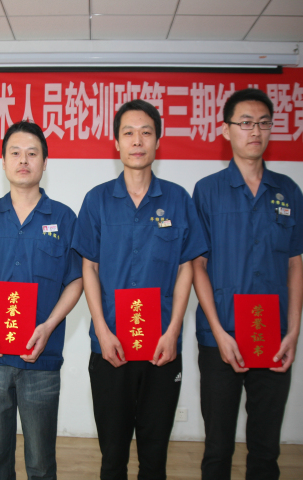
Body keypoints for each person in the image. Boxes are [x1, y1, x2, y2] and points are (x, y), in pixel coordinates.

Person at [192, 88, 303, 480]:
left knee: (266, 448)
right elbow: (197, 265)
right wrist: (218, 332)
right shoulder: (207, 191)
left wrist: (293, 331)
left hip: (273, 336)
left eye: (264, 123)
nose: (255, 131)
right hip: (220, 337)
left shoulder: (287, 190)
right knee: (217, 447)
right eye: (246, 123)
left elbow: (295, 264)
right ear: (226, 130)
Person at [72, 99, 207, 480]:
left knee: (154, 458)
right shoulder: (97, 200)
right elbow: (89, 267)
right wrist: (101, 329)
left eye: (146, 132)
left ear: (157, 141)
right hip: (110, 345)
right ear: (116, 143)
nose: (137, 141)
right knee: (112, 457)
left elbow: (186, 266)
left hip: (162, 348)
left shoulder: (178, 200)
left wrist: (173, 330)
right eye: (128, 133)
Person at [0, 121, 83, 480]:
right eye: (15, 153)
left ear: (45, 162)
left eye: (32, 153)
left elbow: (76, 280)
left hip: (42, 356)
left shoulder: (64, 218)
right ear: (3, 161)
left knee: (41, 462)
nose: (23, 160)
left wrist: (49, 325)